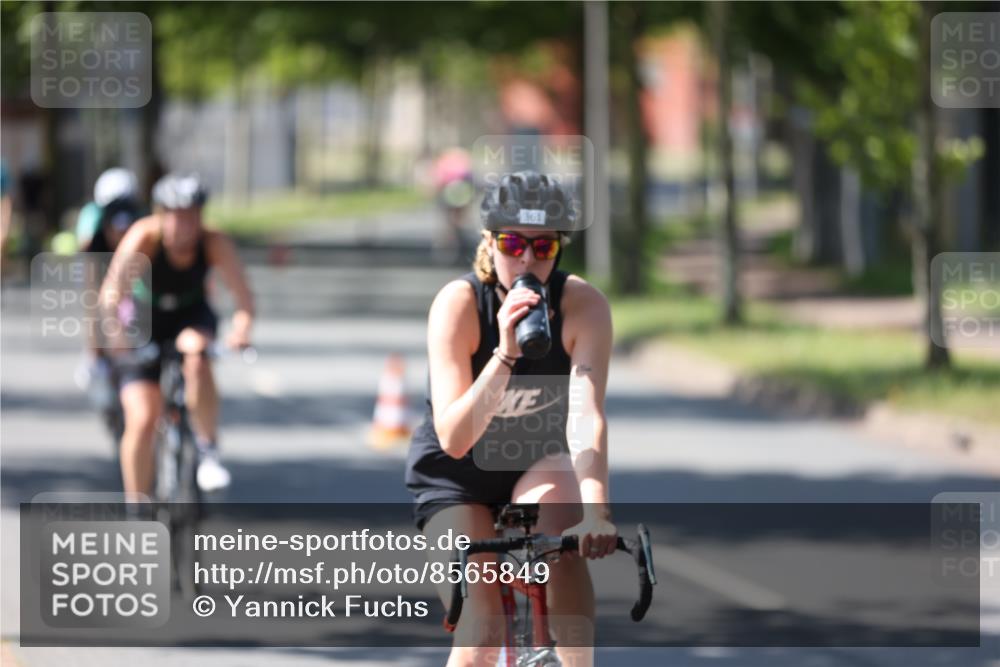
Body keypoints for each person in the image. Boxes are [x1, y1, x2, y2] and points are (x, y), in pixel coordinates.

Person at [405, 171, 614, 667]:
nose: (526, 259)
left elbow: (586, 413)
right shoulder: (458, 305)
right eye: (512, 242)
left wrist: (597, 511)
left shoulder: (582, 305)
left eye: (542, 246)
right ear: (489, 242)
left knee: (562, 553)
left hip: (536, 459)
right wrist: (504, 353)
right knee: (482, 630)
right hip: (458, 475)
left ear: (559, 248)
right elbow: (455, 439)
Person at [100, 173, 255, 498]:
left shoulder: (213, 242)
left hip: (191, 315)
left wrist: (241, 330)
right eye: (176, 216)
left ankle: (207, 449)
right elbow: (111, 295)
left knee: (196, 354)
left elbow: (243, 299)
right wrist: (117, 336)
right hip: (146, 321)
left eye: (192, 216)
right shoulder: (144, 237)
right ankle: (137, 508)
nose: (185, 225)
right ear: (161, 215)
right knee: (142, 419)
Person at [73, 168, 144, 442]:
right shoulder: (93, 224)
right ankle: (96, 359)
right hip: (102, 268)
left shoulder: (142, 221)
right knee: (95, 302)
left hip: (135, 275)